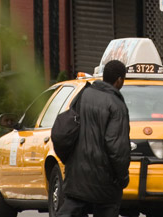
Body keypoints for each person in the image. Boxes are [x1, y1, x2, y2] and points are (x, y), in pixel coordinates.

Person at [58, 59, 130, 217]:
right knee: (107, 209)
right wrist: (122, 177)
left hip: (76, 174)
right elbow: (116, 147)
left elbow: (66, 129)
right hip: (104, 179)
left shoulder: (83, 94)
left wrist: (68, 161)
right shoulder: (117, 105)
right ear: (119, 80)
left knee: (70, 209)